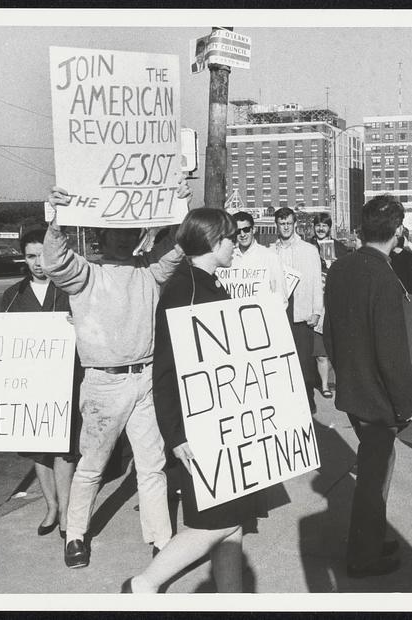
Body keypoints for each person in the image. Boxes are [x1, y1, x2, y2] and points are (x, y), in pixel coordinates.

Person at [44, 182, 190, 569]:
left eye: (132, 232)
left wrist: (176, 207)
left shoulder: (150, 271)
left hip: (145, 381)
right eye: (117, 232)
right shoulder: (85, 274)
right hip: (103, 384)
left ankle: (162, 540)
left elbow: (176, 250)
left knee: (152, 465)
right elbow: (55, 262)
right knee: (91, 465)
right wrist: (56, 221)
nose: (125, 239)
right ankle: (75, 535)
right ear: (101, 234)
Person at [123, 208, 267, 594]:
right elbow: (167, 371)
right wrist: (176, 434)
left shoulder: (205, 283)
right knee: (215, 523)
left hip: (219, 422)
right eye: (231, 237)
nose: (237, 244)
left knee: (234, 520)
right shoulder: (185, 288)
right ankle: (144, 583)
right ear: (213, 241)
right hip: (196, 427)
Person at [323, 194, 412, 579]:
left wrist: (344, 373)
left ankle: (374, 538)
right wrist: (406, 404)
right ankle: (364, 554)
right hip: (379, 397)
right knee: (374, 476)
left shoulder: (342, 268)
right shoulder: (385, 276)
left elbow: (329, 332)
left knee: (377, 467)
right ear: (397, 231)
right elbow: (392, 352)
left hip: (353, 388)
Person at [1, 228, 80, 539]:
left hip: (65, 381)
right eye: (31, 256)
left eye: (43, 255)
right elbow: (4, 342)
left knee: (63, 449)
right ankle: (50, 505)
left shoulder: (69, 290)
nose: (37, 262)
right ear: (24, 257)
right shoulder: (13, 296)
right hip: (30, 384)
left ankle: (65, 511)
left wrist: (78, 323)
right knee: (38, 449)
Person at [271, 207, 323, 414]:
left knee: (304, 362)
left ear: (294, 225)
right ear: (277, 225)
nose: (285, 227)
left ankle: (307, 402)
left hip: (301, 311)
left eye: (289, 224)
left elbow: (316, 283)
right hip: (279, 313)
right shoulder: (270, 251)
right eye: (282, 224)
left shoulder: (309, 250)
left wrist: (317, 311)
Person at [309, 213, 348, 399]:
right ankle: (324, 384)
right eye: (318, 225)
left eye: (324, 225)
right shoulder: (307, 247)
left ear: (330, 228)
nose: (321, 229)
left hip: (335, 303)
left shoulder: (340, 248)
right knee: (320, 350)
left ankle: (340, 382)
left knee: (339, 346)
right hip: (314, 302)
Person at [230, 210, 288, 308]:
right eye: (238, 231)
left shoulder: (270, 257)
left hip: (261, 319)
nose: (242, 234)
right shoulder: (229, 258)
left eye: (246, 229)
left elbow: (280, 296)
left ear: (254, 229)